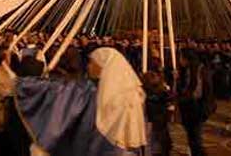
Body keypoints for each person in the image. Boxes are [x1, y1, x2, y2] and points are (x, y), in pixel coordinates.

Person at [15, 47, 147, 155]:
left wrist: (24, 84)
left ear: (102, 66)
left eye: (91, 63)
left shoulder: (89, 91)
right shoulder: (131, 95)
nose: (88, 66)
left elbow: (59, 91)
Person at [177, 51, 215, 156]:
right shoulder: (192, 69)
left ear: (186, 59)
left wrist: (181, 97)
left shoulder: (197, 71)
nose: (180, 60)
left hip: (196, 108)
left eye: (181, 58)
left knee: (195, 137)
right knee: (193, 136)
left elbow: (195, 92)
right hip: (195, 107)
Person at [143, 71, 172, 156]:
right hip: (158, 121)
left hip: (156, 121)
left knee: (157, 142)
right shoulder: (161, 91)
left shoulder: (158, 93)